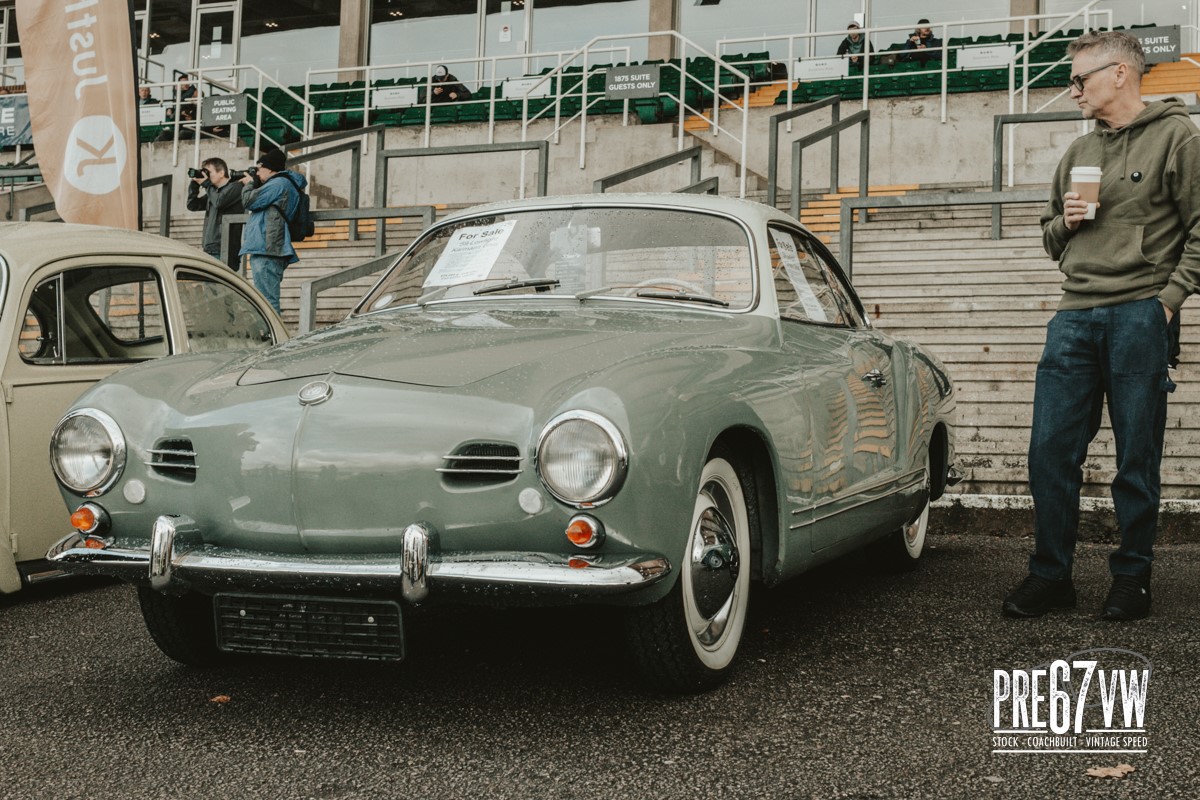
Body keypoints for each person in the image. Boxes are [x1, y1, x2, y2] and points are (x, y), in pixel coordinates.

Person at [1002, 30, 1200, 621]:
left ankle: (1132, 579)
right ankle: (1051, 574)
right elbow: (1049, 240)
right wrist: (1064, 222)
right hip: (1074, 314)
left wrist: (1168, 299)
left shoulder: (1178, 137)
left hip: (1141, 309)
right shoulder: (1077, 152)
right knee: (1049, 451)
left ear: (1119, 73)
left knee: (1137, 456)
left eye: (1080, 79)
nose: (1073, 91)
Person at [238, 148, 305, 313]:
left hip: (267, 249)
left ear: (270, 168)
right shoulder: (280, 183)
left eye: (259, 168)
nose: (257, 172)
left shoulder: (279, 183)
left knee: (267, 301)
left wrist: (250, 183)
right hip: (267, 247)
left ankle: (274, 338)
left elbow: (249, 201)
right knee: (266, 299)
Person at [186, 157, 245, 270]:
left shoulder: (236, 187)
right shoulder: (213, 191)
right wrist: (194, 185)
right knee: (209, 287)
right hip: (209, 248)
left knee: (220, 287)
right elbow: (192, 205)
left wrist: (207, 184)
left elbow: (219, 202)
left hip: (224, 249)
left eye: (209, 172)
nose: (207, 175)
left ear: (221, 173)